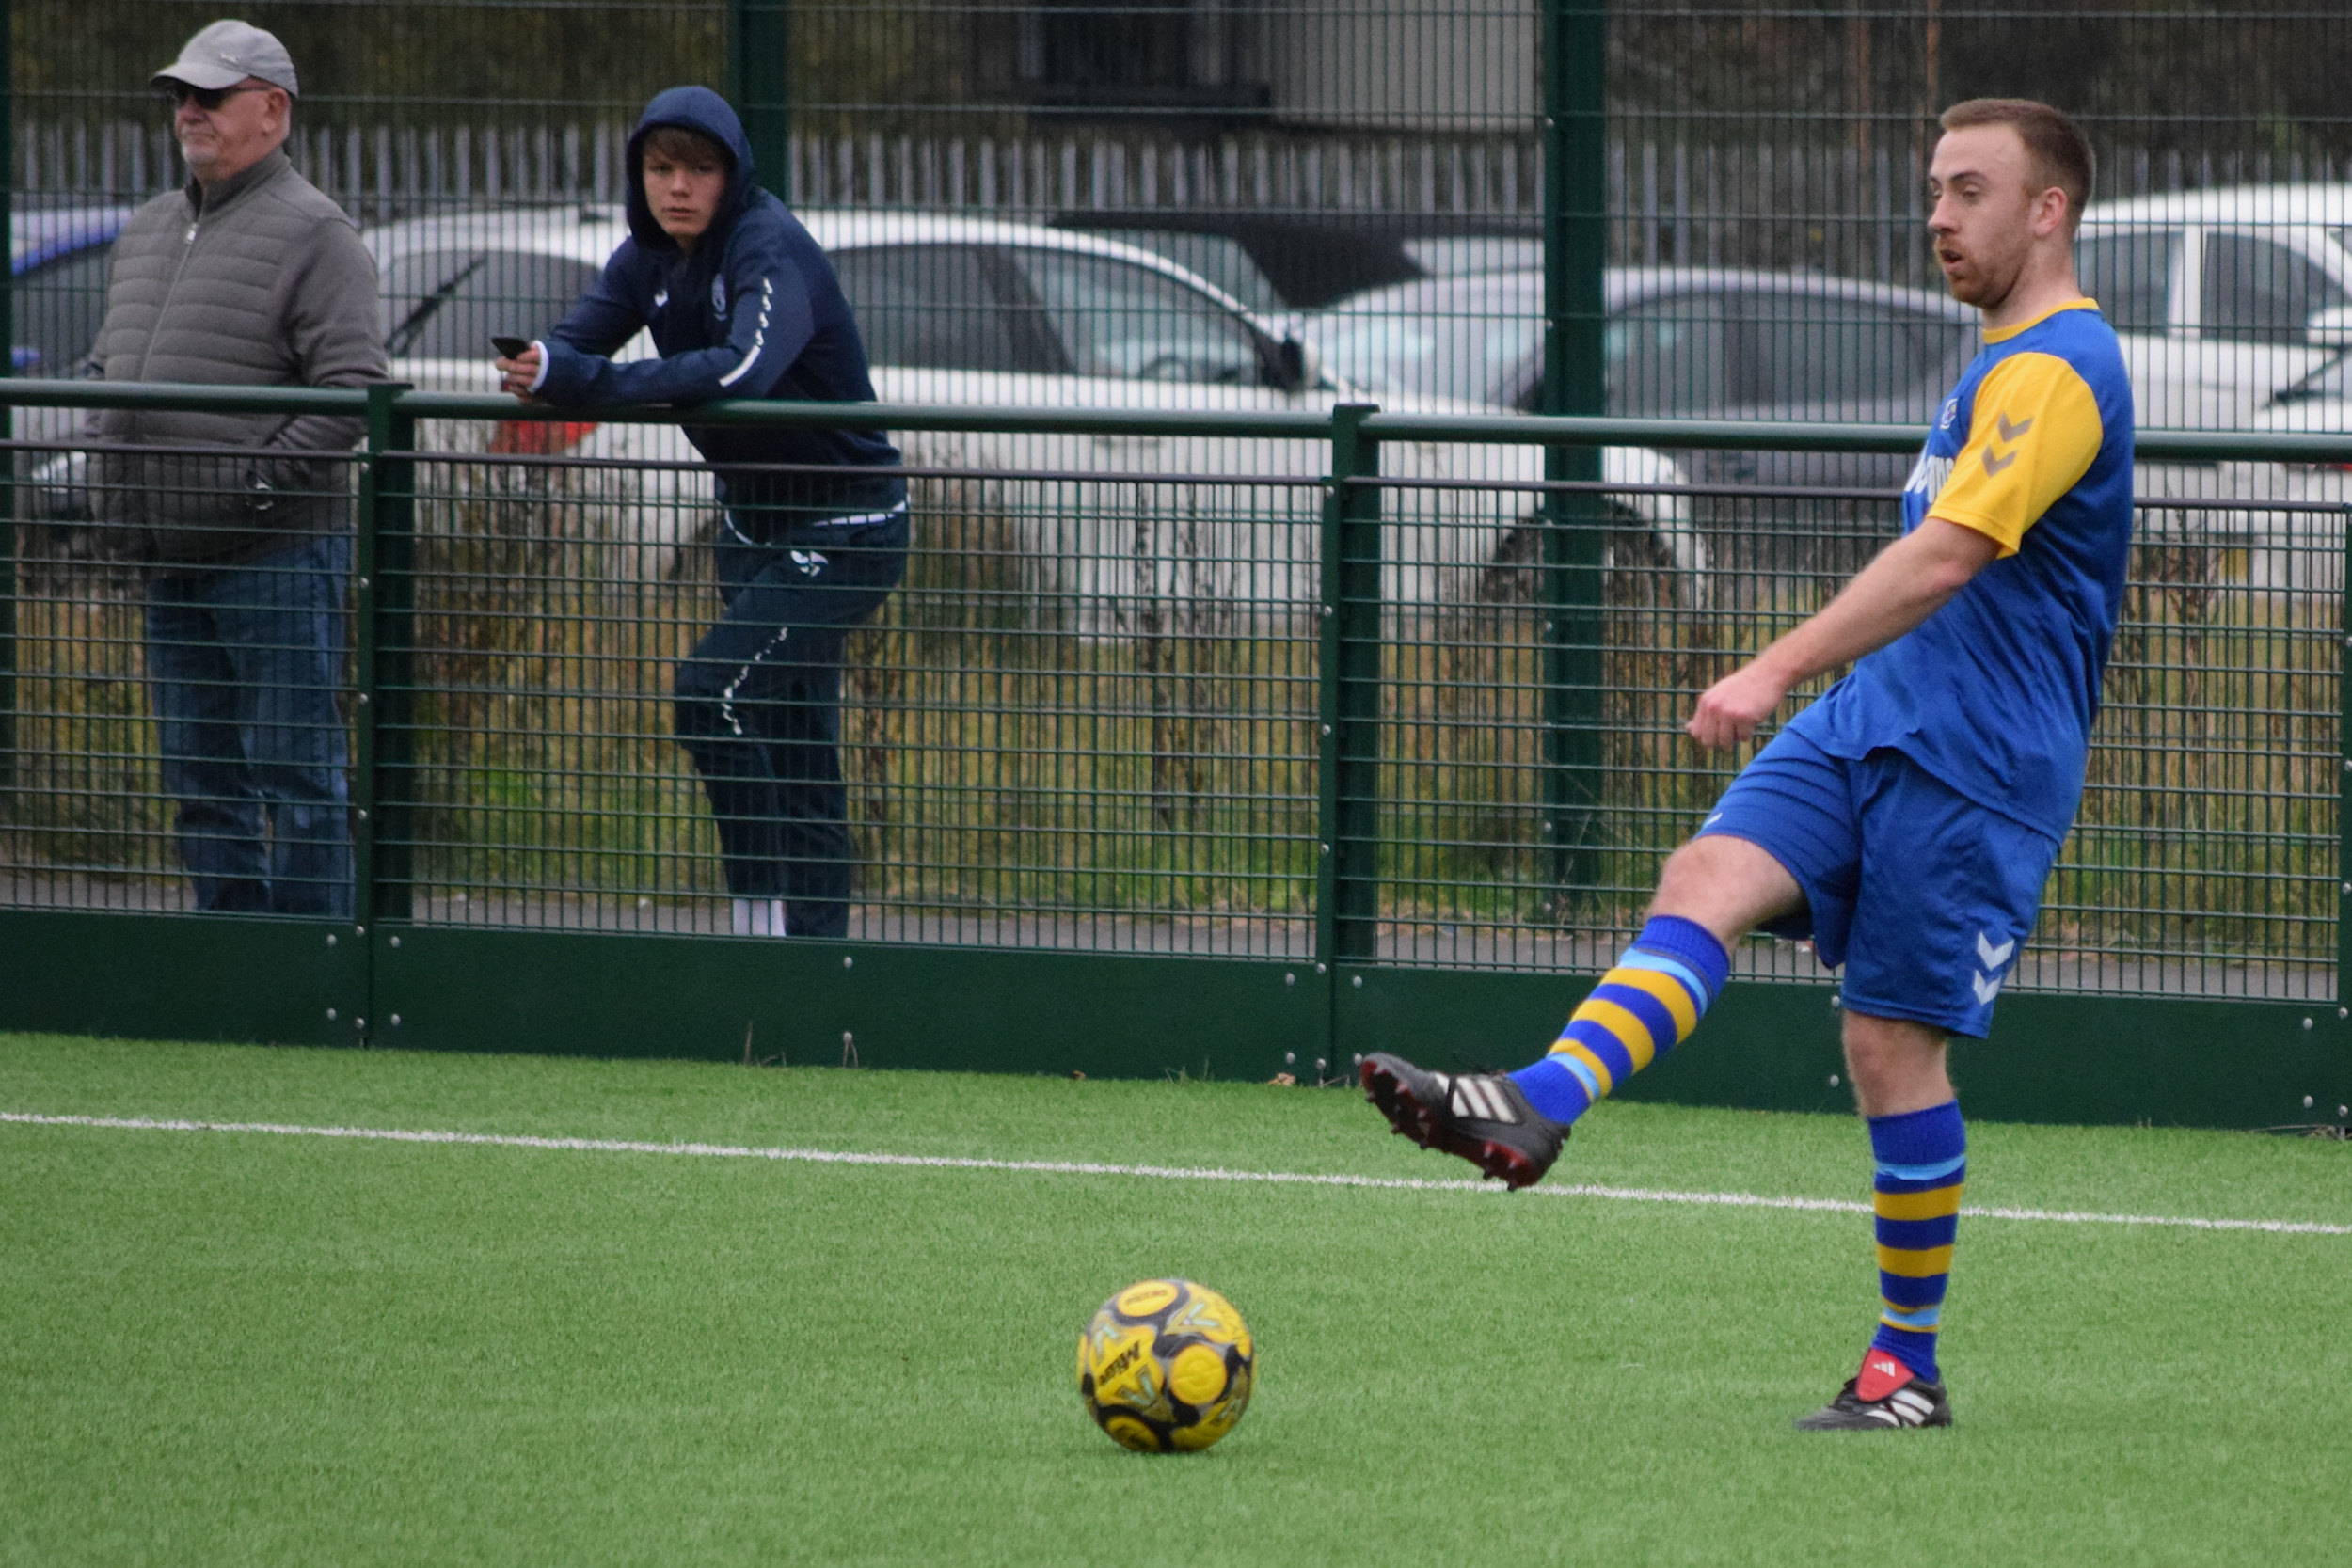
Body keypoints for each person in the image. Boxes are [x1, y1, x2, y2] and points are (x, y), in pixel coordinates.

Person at [1360, 99, 2133, 1432]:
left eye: (1968, 191)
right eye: (1932, 190)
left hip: (1980, 756)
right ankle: (1541, 1102)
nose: (1937, 217)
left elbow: (1951, 554)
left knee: (1889, 1044)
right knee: (1706, 871)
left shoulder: (2066, 367)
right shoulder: (1998, 362)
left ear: (2047, 208)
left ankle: (1906, 1368)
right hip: (1875, 716)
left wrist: (1774, 663)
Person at [499, 87, 905, 941]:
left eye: (698, 168)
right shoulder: (645, 257)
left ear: (732, 174)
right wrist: (540, 362)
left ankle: (758, 929)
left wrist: (586, 383)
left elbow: (740, 372)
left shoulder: (768, 245)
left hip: (849, 527)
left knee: (708, 696)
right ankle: (816, 964)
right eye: (659, 168)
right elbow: (576, 345)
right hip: (751, 529)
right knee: (798, 748)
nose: (677, 186)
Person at [87, 20, 386, 916]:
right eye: (181, 95)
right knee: (200, 776)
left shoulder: (317, 232)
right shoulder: (147, 228)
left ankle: (309, 973)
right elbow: (111, 365)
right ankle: (231, 959)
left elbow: (352, 392)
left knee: (295, 774)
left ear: (272, 109)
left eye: (210, 96)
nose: (189, 111)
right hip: (169, 556)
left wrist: (254, 486)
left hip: (275, 558)